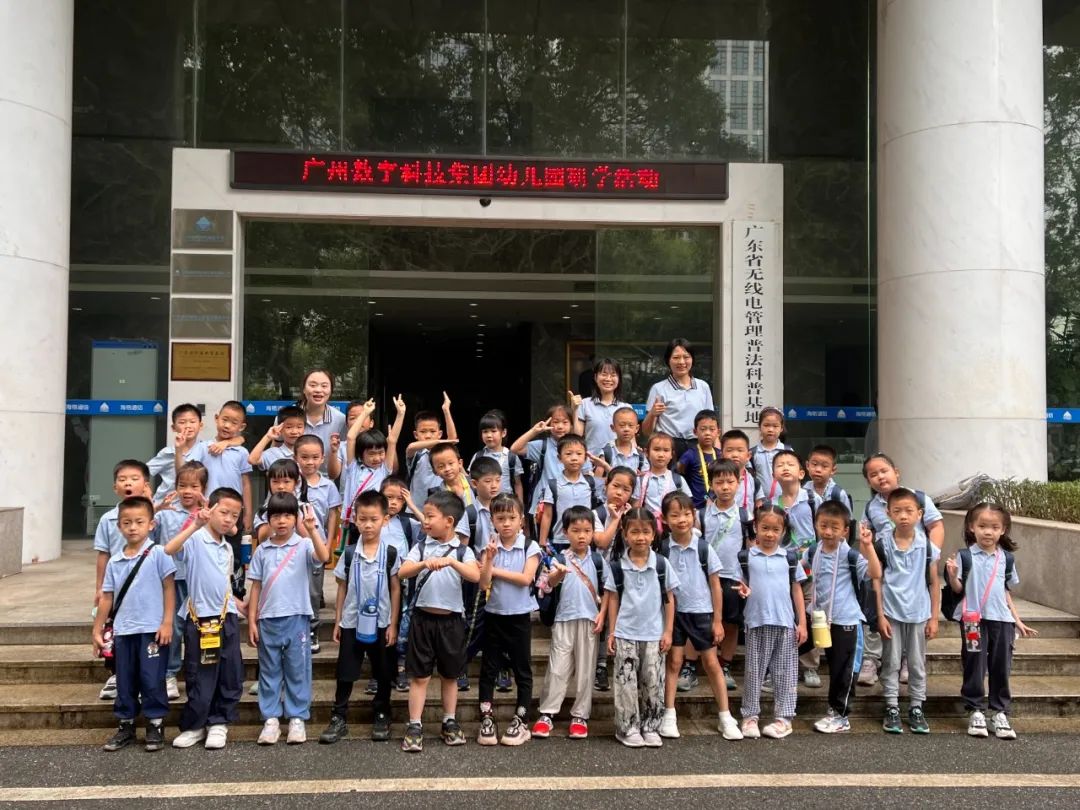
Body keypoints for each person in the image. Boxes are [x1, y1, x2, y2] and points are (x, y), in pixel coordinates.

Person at [397, 490, 481, 753]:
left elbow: (475, 576)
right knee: (419, 676)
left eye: (430, 516)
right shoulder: (421, 546)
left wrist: (451, 563)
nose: (425, 521)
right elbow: (402, 571)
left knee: (450, 675)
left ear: (449, 521)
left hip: (451, 622)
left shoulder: (463, 551)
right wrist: (424, 564)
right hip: (422, 619)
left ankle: (449, 720)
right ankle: (414, 724)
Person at [945, 502, 1038, 739]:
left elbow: (1005, 591)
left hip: (1002, 620)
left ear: (1003, 530)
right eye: (983, 526)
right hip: (972, 619)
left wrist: (1017, 620)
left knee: (1001, 665)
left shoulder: (1006, 559)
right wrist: (952, 575)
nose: (988, 532)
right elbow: (958, 589)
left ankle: (999, 712)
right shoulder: (965, 556)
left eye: (995, 527)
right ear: (971, 527)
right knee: (974, 663)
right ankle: (975, 709)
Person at [92, 496, 176, 752]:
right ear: (119, 526)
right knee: (125, 680)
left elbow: (169, 588)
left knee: (152, 678)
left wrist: (167, 622)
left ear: (151, 524)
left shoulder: (159, 554)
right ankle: (125, 725)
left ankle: (155, 723)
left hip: (152, 630)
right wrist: (97, 629)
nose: (133, 527)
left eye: (139, 522)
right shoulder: (115, 561)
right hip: (124, 630)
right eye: (126, 523)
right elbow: (107, 597)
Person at [164, 488, 246, 750]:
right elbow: (169, 549)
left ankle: (219, 722)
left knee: (229, 671)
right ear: (210, 509)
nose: (228, 520)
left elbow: (225, 583)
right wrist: (195, 524)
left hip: (226, 617)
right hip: (199, 617)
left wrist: (240, 605)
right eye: (224, 512)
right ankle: (195, 725)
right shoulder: (196, 539)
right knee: (199, 672)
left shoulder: (227, 547)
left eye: (234, 516)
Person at [657, 492, 743, 741]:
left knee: (711, 663)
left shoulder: (703, 547)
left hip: (702, 612)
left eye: (686, 514)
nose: (681, 519)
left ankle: (725, 716)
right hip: (674, 614)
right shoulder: (663, 548)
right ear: (665, 519)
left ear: (694, 515)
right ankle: (669, 715)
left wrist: (717, 620)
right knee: (674, 662)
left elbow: (715, 586)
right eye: (675, 515)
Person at [248, 494, 330, 746]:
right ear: (268, 519)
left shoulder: (304, 545)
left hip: (297, 617)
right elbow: (256, 586)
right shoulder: (262, 550)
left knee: (297, 670)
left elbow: (324, 556)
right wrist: (251, 620)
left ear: (296, 518)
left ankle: (297, 718)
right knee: (269, 671)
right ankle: (271, 719)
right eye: (276, 516)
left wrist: (313, 529)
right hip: (268, 619)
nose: (281, 521)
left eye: (287, 515)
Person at [320, 490, 401, 744]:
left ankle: (381, 713)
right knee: (345, 671)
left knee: (383, 671)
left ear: (385, 520)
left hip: (381, 622)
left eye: (374, 519)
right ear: (355, 519)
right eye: (363, 519)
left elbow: (396, 589)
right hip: (352, 622)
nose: (368, 525)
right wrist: (338, 620)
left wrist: (394, 624)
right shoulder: (349, 552)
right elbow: (341, 587)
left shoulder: (390, 553)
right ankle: (339, 716)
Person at [858, 452, 945, 688]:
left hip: (915, 565)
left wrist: (931, 554)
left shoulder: (918, 498)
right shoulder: (871, 506)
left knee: (913, 612)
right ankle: (871, 659)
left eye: (884, 471)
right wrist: (869, 563)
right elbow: (866, 536)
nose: (880, 477)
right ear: (868, 481)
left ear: (896, 472)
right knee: (876, 610)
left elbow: (936, 526)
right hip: (886, 566)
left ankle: (908, 659)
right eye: (873, 475)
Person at [532, 506, 613, 740]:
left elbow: (608, 590)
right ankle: (547, 713)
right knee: (557, 667)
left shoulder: (598, 560)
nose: (582, 536)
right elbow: (544, 587)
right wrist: (556, 575)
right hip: (563, 618)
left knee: (586, 670)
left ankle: (580, 715)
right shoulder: (557, 559)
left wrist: (603, 615)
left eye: (587, 531)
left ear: (593, 533)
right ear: (565, 532)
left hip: (590, 620)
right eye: (576, 531)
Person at [801, 501, 882, 733]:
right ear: (816, 525)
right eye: (823, 525)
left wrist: (868, 546)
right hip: (818, 617)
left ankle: (840, 716)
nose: (828, 531)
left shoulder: (850, 555)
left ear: (845, 530)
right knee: (792, 647)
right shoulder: (813, 550)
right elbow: (797, 569)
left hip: (845, 621)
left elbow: (875, 573)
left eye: (834, 527)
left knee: (843, 669)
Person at [607, 507, 678, 748]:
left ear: (654, 534)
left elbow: (669, 599)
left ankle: (651, 726)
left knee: (653, 681)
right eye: (634, 532)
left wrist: (668, 631)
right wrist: (612, 631)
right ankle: (627, 727)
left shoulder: (661, 564)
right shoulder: (617, 566)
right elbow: (613, 599)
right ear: (625, 534)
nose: (640, 537)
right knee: (626, 682)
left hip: (654, 632)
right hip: (625, 632)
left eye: (646, 532)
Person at [737, 505, 808, 740]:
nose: (769, 534)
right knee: (754, 672)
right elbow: (740, 584)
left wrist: (802, 623)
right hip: (756, 621)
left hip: (785, 623)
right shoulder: (746, 557)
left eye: (775, 529)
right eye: (765, 528)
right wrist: (742, 591)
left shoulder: (789, 558)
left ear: (783, 531)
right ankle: (750, 716)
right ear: (756, 527)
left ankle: (784, 719)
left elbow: (797, 590)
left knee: (785, 673)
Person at [875, 487, 941, 734]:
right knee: (891, 662)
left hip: (919, 613)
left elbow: (934, 583)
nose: (903, 516)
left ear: (919, 514)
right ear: (888, 513)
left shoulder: (927, 547)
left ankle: (916, 707)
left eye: (909, 511)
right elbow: (877, 581)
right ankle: (891, 706)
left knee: (916, 663)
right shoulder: (882, 544)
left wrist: (934, 618)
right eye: (897, 511)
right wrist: (880, 615)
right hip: (891, 612)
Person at [476, 493, 540, 746]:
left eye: (511, 518)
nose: (506, 523)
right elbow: (483, 583)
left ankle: (521, 720)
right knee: (488, 669)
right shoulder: (489, 547)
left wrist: (494, 569)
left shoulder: (529, 546)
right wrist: (489, 560)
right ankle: (486, 718)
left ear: (521, 520)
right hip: (494, 614)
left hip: (520, 616)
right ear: (492, 520)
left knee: (522, 669)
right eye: (500, 518)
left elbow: (526, 579)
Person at [179, 401, 254, 599]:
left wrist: (248, 512)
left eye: (234, 422)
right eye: (225, 420)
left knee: (235, 554)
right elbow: (186, 470)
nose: (227, 425)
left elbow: (246, 483)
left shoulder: (241, 452)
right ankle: (209, 594)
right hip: (209, 512)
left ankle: (235, 597)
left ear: (241, 427)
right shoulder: (204, 448)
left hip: (234, 513)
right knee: (208, 553)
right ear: (216, 418)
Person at [93, 459, 154, 702]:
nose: (128, 483)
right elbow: (103, 554)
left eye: (134, 479)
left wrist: (152, 504)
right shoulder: (108, 519)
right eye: (122, 479)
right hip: (116, 585)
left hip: (144, 584)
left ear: (146, 484)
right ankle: (116, 674)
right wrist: (99, 588)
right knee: (113, 630)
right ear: (115, 487)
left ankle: (144, 678)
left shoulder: (153, 516)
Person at [695, 459, 753, 691]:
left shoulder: (745, 515)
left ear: (739, 482)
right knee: (700, 620)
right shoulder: (701, 514)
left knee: (731, 623)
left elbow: (751, 548)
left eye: (730, 482)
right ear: (712, 484)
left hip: (734, 576)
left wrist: (747, 578)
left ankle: (725, 665)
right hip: (705, 578)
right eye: (719, 482)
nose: (725, 487)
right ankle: (691, 666)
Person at [153, 460, 208, 701]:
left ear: (203, 489)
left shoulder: (207, 515)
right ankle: (170, 673)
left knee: (198, 627)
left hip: (197, 579)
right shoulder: (166, 514)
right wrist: (156, 508)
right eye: (182, 485)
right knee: (173, 628)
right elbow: (148, 536)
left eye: (194, 486)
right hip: (172, 580)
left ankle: (198, 675)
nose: (187, 491)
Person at [295, 433, 342, 655]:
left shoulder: (328, 486)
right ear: (295, 458)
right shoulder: (290, 483)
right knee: (295, 587)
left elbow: (332, 516)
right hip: (293, 547)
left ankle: (312, 630)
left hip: (317, 546)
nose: (309, 462)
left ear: (322, 458)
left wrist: (329, 542)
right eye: (304, 457)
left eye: (315, 457)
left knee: (314, 591)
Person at [591, 466, 635, 692]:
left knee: (620, 620)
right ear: (606, 485)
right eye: (615, 486)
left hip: (625, 576)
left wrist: (629, 519)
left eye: (626, 489)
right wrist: (617, 519)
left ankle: (625, 664)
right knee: (601, 621)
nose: (619, 492)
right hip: (599, 576)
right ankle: (599, 665)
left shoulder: (634, 516)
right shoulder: (596, 514)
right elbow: (601, 541)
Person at [380, 476, 423, 691]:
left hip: (403, 580)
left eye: (399, 499)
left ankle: (400, 667)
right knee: (381, 622)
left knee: (402, 623)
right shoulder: (375, 520)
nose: (394, 503)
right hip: (378, 579)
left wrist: (413, 505)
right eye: (389, 497)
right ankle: (379, 672)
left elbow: (428, 526)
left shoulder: (407, 523)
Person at [643, 338, 714, 459]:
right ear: (668, 360)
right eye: (676, 357)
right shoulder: (658, 389)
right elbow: (646, 432)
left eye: (686, 357)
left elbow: (711, 422)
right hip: (668, 447)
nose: (681, 362)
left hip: (697, 445)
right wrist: (652, 414)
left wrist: (716, 449)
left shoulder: (703, 387)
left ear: (692, 359)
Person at [147, 404, 233, 503]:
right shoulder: (167, 452)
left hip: (193, 507)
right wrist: (146, 493)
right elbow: (143, 472)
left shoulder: (208, 448)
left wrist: (227, 442)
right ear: (173, 427)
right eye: (182, 422)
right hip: (166, 505)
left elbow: (238, 440)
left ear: (200, 425)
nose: (188, 426)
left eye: (192, 422)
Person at [509, 403, 581, 520]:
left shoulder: (578, 449)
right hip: (543, 506)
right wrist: (534, 431)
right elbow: (515, 449)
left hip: (569, 503)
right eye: (555, 422)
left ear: (571, 425)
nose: (560, 426)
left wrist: (576, 411)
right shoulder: (543, 446)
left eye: (565, 422)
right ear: (549, 424)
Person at [538, 435, 603, 551]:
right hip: (560, 540)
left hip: (585, 539)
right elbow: (547, 515)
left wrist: (602, 464)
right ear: (559, 458)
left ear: (585, 457)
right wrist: (542, 542)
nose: (574, 458)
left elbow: (616, 479)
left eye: (579, 454)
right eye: (568, 454)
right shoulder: (553, 485)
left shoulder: (591, 483)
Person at [405, 393, 458, 509]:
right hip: (415, 510)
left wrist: (446, 410)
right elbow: (410, 447)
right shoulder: (416, 454)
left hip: (440, 510)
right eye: (423, 432)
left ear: (440, 434)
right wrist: (440, 441)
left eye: (432, 431)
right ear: (415, 434)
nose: (428, 436)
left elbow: (452, 439)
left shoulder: (442, 453)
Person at [570, 358, 630, 454]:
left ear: (619, 379)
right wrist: (575, 410)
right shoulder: (585, 404)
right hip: (591, 459)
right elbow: (577, 435)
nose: (608, 379)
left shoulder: (626, 407)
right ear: (595, 377)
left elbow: (631, 440)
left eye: (613, 375)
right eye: (604, 374)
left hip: (617, 461)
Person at [295, 368, 347, 476]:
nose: (318, 390)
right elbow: (275, 452)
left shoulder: (340, 420)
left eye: (324, 386)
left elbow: (342, 459)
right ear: (304, 389)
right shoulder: (289, 416)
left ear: (331, 390)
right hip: (292, 479)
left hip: (326, 481)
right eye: (313, 385)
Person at [467, 409, 525, 501]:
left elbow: (517, 484)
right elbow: (470, 482)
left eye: (493, 431)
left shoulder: (511, 457)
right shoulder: (478, 456)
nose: (489, 435)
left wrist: (520, 506)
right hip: (484, 504)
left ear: (503, 433)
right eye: (485, 431)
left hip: (506, 504)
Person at [590, 406, 647, 490]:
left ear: (637, 428)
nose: (626, 429)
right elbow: (597, 481)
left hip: (633, 497)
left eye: (630, 425)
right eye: (622, 425)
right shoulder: (607, 452)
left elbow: (645, 480)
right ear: (613, 428)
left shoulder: (640, 455)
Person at [637, 432, 692, 519]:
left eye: (666, 450)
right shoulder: (641, 479)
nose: (661, 455)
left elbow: (688, 504)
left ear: (672, 455)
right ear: (646, 452)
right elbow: (636, 505)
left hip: (671, 524)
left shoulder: (678, 480)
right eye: (656, 449)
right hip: (647, 524)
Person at [676, 409, 720, 508]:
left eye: (712, 429)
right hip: (695, 506)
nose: (707, 433)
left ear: (718, 432)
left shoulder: (720, 455)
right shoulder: (690, 454)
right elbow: (679, 470)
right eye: (703, 429)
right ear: (695, 432)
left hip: (716, 505)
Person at [247, 405, 306, 471]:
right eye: (289, 427)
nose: (294, 432)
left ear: (304, 428)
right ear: (280, 429)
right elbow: (252, 460)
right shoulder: (273, 453)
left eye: (299, 427)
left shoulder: (310, 451)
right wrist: (268, 437)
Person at [720, 429, 763, 516]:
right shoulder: (717, 481)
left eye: (740, 450)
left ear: (748, 455)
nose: (735, 455)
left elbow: (759, 506)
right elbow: (709, 505)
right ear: (721, 455)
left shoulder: (754, 482)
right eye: (729, 450)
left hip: (747, 523)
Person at [749, 407, 792, 495]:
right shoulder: (753, 453)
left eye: (775, 426)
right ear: (760, 427)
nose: (770, 429)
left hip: (784, 499)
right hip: (761, 500)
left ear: (781, 428)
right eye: (766, 425)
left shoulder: (788, 451)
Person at [803, 444, 853, 509]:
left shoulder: (838, 494)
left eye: (824, 466)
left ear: (833, 470)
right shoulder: (802, 490)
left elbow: (847, 515)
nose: (818, 470)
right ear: (807, 465)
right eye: (814, 464)